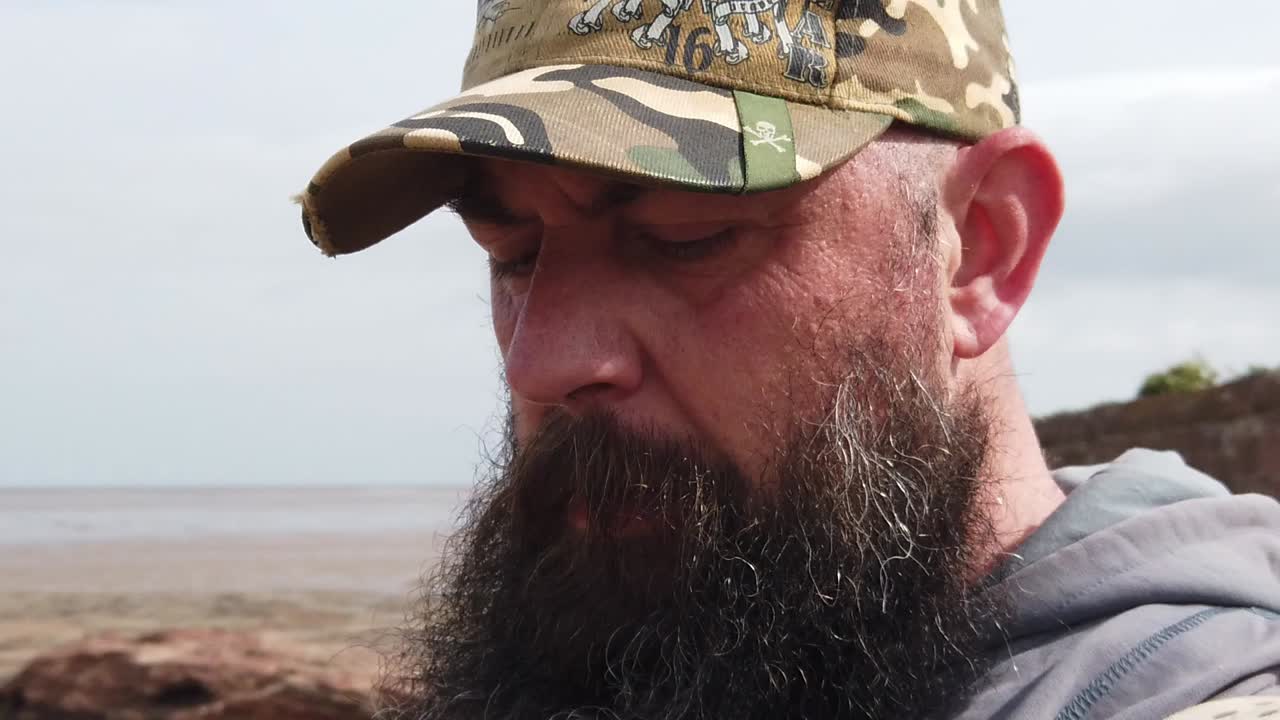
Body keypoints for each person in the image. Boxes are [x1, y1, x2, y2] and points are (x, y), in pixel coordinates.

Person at [296, 2, 1280, 718]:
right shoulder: (739, 651)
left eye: (684, 235)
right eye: (511, 255)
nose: (540, 362)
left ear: (979, 247)